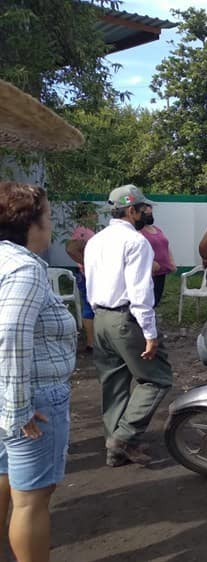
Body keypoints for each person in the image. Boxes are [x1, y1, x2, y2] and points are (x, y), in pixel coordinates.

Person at [0, 182, 77, 562]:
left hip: (5, 394)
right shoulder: (25, 269)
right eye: (47, 216)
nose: (50, 225)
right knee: (31, 500)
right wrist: (18, 408)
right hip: (32, 400)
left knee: (2, 482)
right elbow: (11, 336)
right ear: (29, 223)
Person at [84, 184, 173, 467]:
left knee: (114, 383)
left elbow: (91, 283)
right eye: (144, 207)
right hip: (125, 319)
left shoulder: (96, 240)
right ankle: (123, 437)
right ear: (131, 210)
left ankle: (117, 450)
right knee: (157, 377)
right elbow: (140, 291)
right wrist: (150, 333)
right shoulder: (136, 242)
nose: (148, 211)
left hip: (100, 318)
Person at [65, 201, 98, 353]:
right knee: (89, 306)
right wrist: (85, 263)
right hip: (87, 275)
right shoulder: (82, 231)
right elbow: (71, 249)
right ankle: (91, 342)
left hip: (92, 274)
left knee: (92, 306)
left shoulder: (89, 230)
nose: (96, 216)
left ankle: (95, 341)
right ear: (85, 215)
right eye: (93, 212)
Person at [140, 203, 176, 307]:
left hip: (162, 272)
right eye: (146, 208)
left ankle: (151, 318)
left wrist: (171, 262)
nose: (149, 210)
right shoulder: (138, 231)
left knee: (156, 299)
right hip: (149, 273)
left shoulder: (157, 229)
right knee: (148, 300)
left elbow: (165, 245)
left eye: (150, 208)